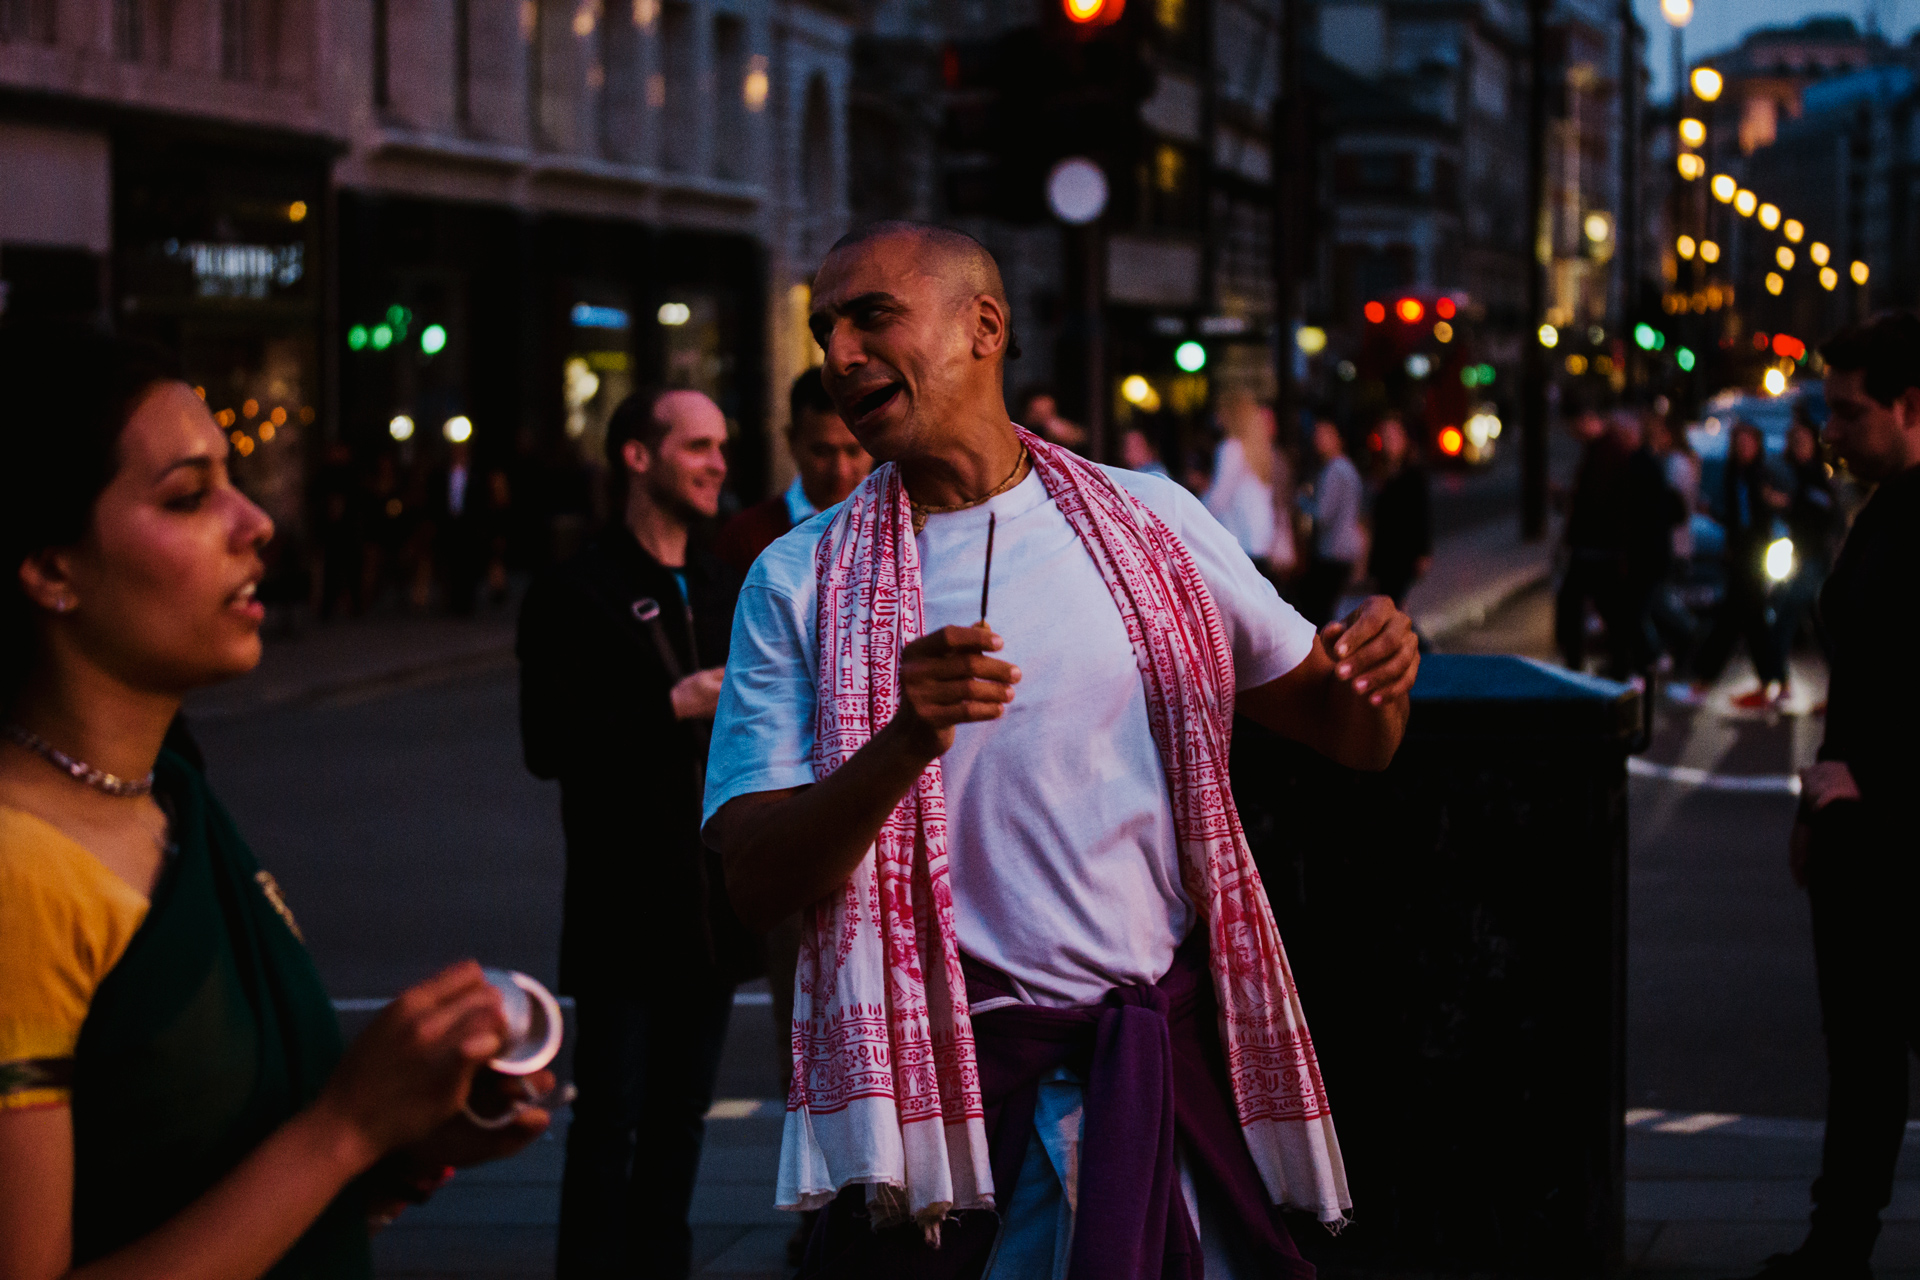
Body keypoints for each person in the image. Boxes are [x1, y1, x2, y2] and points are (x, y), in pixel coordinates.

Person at [704, 221, 1420, 1278]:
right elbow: (755, 880)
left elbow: (1355, 736)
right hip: (955, 1132)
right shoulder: (796, 580)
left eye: (871, 317)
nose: (840, 354)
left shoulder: (1153, 522)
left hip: (1156, 1087)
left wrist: (1381, 674)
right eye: (826, 332)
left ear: (984, 327)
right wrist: (904, 743)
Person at [0, 327, 551, 1280]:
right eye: (188, 496)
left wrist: (397, 1154)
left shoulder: (171, 796)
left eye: (235, 481)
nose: (255, 521)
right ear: (52, 569)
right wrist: (347, 1128)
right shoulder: (21, 868)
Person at [516, 387, 752, 1279]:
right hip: (623, 900)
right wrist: (672, 704)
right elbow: (549, 744)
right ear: (638, 456)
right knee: (610, 1116)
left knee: (682, 1115)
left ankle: (663, 1265)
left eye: (721, 446)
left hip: (712, 900)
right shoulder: (576, 592)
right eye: (697, 446)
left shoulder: (726, 586)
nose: (717, 464)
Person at [1730, 313, 1920, 1280]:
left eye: (1850, 413)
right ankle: (1838, 1242)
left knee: (1875, 1045)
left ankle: (1839, 1244)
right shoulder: (1884, 508)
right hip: (1855, 826)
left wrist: (1866, 787)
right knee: (1862, 1051)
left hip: (1896, 836)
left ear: (1911, 406)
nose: (1831, 431)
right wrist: (1820, 805)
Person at [1671, 421, 1789, 708]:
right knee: (1750, 623)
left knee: (1733, 623)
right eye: (1739, 443)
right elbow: (1735, 517)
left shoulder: (1760, 475)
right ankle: (1773, 682)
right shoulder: (1733, 474)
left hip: (1753, 557)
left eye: (1748, 443)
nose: (1743, 448)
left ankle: (1705, 682)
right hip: (1740, 557)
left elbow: (1765, 514)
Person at [715, 368, 873, 576]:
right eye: (822, 452)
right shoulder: (745, 538)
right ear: (792, 441)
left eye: (853, 451)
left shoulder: (901, 526)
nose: (840, 470)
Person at [1771, 417, 1837, 670]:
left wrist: (1788, 504)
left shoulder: (1814, 475)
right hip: (1803, 555)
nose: (1798, 447)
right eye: (1794, 441)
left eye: (1803, 441)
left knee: (1788, 616)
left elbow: (1822, 515)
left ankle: (1775, 678)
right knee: (1817, 623)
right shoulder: (1793, 473)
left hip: (1811, 556)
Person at [1293, 418, 1366, 625]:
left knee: (1317, 612)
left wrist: (1301, 501)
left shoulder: (1335, 469)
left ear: (1338, 438)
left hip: (1332, 550)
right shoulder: (1347, 468)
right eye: (1316, 435)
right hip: (1344, 549)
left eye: (1325, 435)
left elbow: (1322, 514)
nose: (1318, 440)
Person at [1203, 391, 1278, 569]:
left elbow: (1218, 498)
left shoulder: (1231, 448)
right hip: (1261, 540)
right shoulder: (1259, 451)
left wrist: (1192, 511)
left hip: (1238, 541)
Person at [1365, 415, 1432, 607]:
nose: (1389, 442)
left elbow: (1421, 514)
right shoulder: (1382, 473)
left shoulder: (1413, 474)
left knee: (1394, 604)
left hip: (1403, 552)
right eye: (1385, 436)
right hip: (1384, 553)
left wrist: (1424, 552)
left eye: (1394, 436)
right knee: (1388, 604)